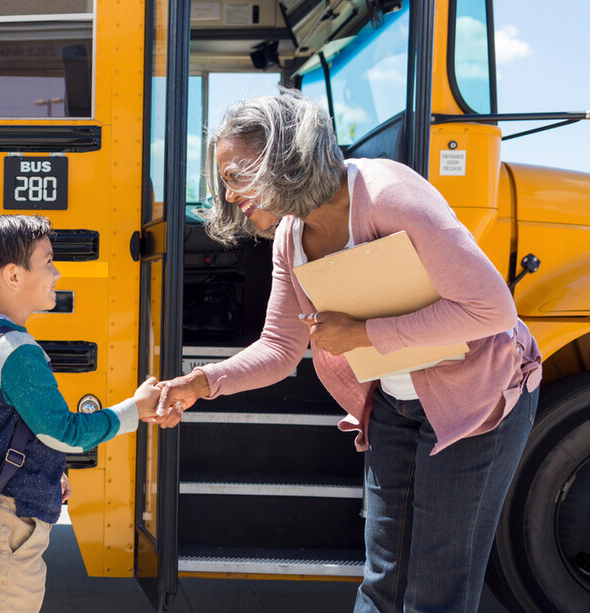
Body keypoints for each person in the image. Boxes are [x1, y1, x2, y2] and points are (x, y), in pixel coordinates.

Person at [153, 91, 542, 612]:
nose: (230, 194)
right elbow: (279, 348)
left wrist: (363, 334)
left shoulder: (388, 194)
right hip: (395, 404)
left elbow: (491, 311)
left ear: (286, 155)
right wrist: (197, 383)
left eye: (237, 173)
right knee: (381, 582)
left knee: (434, 593)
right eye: (224, 179)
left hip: (478, 397)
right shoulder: (290, 236)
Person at [0, 214, 160, 613]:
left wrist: (50, 470)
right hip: (8, 522)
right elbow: (63, 431)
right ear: (14, 276)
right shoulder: (17, 351)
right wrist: (133, 411)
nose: (58, 271)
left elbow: (7, 424)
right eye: (48, 261)